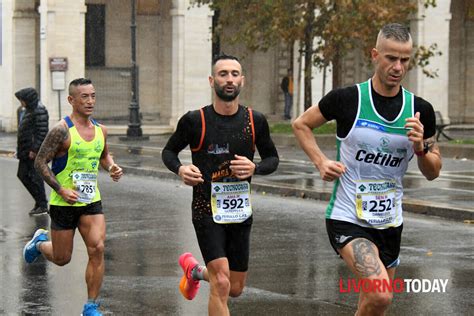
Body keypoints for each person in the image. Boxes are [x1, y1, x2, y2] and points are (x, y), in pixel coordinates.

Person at [292, 23, 442, 315]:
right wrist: (321, 161)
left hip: (389, 222)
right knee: (381, 295)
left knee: (372, 305)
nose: (398, 66)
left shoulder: (420, 110)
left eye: (404, 60)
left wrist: (420, 147)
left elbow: (433, 170)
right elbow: (301, 124)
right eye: (391, 58)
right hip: (348, 217)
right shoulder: (348, 99)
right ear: (375, 55)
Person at [162, 54, 279, 315]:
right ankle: (208, 274)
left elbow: (273, 158)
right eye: (223, 74)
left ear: (242, 81)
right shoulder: (195, 120)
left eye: (234, 74)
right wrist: (181, 168)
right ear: (212, 80)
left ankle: (195, 272)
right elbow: (168, 152)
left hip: (240, 212)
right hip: (206, 210)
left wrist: (255, 168)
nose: (229, 79)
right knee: (222, 281)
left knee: (235, 287)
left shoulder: (254, 120)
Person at [23, 78, 123, 316]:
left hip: (90, 201)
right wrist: (60, 189)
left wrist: (111, 168)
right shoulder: (61, 130)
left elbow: (104, 155)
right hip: (64, 203)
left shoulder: (101, 130)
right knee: (61, 258)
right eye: (84, 97)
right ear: (71, 100)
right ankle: (39, 243)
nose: (90, 101)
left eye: (93, 96)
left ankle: (90, 306)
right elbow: (40, 162)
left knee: (97, 248)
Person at [15, 87, 49, 215]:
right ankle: (39, 202)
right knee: (24, 175)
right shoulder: (29, 110)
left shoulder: (39, 111)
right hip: (26, 151)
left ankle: (42, 205)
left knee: (33, 177)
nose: (21, 103)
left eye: (22, 100)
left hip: (32, 152)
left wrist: (34, 149)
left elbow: (41, 132)